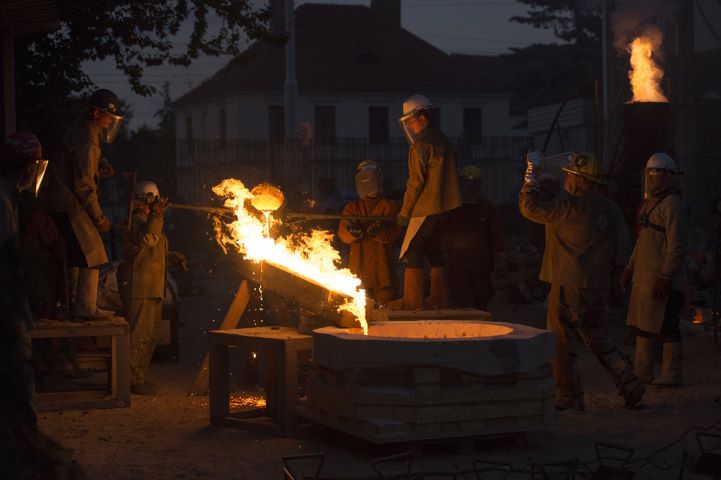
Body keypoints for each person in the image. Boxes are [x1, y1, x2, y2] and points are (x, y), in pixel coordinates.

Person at [519, 150, 644, 410]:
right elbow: (623, 250)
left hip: (568, 285)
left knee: (561, 342)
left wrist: (531, 175)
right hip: (597, 286)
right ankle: (629, 381)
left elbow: (529, 208)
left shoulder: (570, 207)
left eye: (570, 175)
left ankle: (569, 396)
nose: (565, 178)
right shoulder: (610, 208)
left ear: (582, 180)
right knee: (599, 339)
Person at [41, 88, 123, 320]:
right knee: (92, 250)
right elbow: (84, 186)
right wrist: (99, 218)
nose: (109, 123)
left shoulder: (85, 130)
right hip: (65, 200)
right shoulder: (87, 137)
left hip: (60, 197)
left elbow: (79, 163)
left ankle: (76, 305)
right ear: (96, 114)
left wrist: (101, 164)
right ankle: (84, 308)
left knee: (79, 252)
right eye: (108, 117)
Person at [621, 153, 687, 387]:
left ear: (670, 176)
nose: (653, 177)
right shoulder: (650, 204)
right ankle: (644, 371)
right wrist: (630, 266)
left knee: (667, 325)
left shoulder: (673, 205)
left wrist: (666, 277)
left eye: (658, 173)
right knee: (643, 323)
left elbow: (677, 246)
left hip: (662, 278)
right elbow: (642, 240)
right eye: (651, 173)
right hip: (645, 277)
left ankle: (672, 372)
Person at [394, 94, 462, 310]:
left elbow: (415, 183)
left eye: (411, 121)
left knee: (412, 251)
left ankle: (414, 301)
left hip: (427, 208)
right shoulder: (442, 140)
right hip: (447, 208)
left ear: (422, 117)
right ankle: (439, 299)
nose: (410, 127)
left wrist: (404, 213)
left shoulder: (421, 146)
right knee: (433, 249)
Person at [118, 181, 169, 395]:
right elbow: (148, 239)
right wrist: (157, 215)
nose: (156, 204)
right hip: (139, 285)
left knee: (149, 335)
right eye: (154, 200)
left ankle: (138, 378)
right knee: (137, 335)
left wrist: (172, 258)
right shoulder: (134, 221)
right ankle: (127, 381)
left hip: (152, 284)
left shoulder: (149, 221)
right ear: (146, 199)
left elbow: (153, 251)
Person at [338, 160, 401, 306]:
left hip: (384, 274)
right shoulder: (352, 208)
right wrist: (352, 232)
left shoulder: (390, 206)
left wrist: (380, 232)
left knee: (386, 313)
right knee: (359, 311)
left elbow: (395, 235)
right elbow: (343, 235)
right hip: (360, 275)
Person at [447, 165, 506, 310]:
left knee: (479, 301)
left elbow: (496, 235)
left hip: (476, 265)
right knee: (467, 302)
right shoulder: (454, 209)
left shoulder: (484, 209)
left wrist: (500, 256)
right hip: (466, 264)